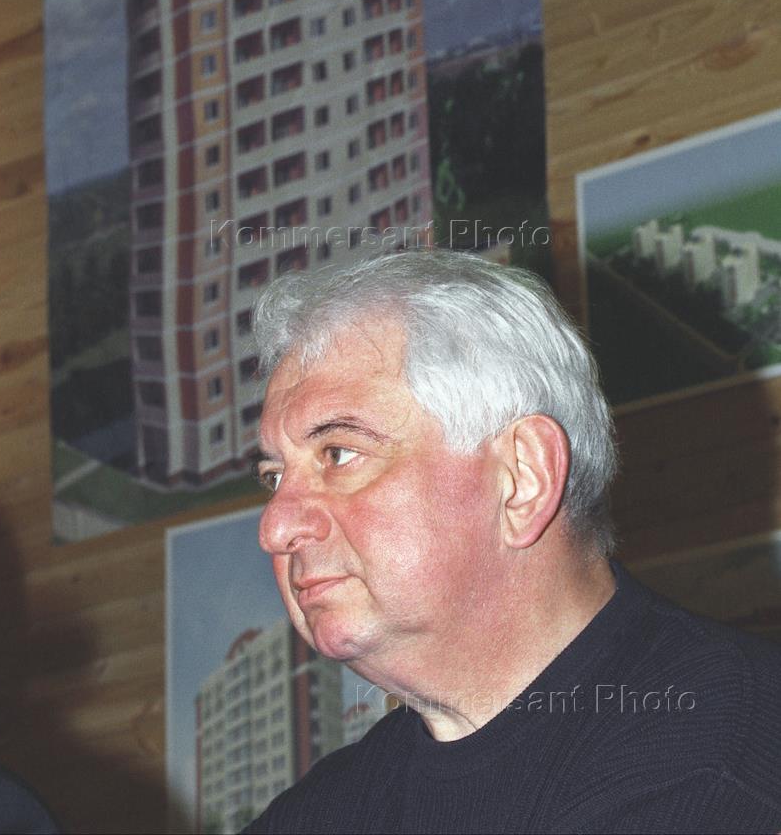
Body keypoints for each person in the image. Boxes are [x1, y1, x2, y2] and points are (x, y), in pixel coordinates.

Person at [243, 249, 781, 834]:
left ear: (523, 478)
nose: (274, 528)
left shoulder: (713, 762)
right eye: (274, 477)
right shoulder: (324, 809)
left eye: (339, 454)